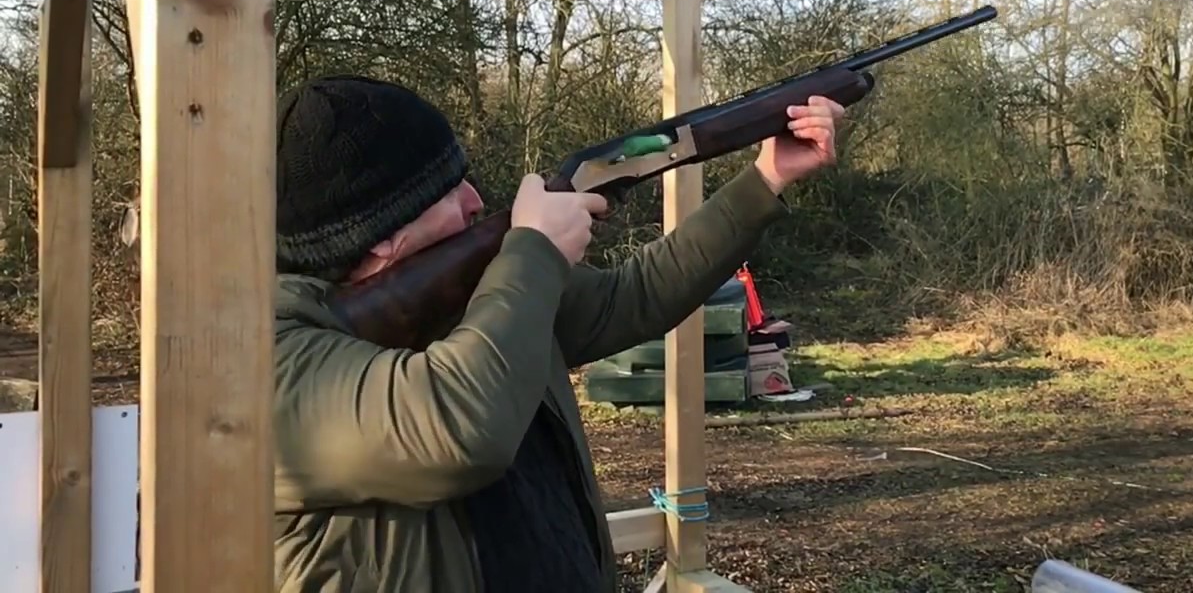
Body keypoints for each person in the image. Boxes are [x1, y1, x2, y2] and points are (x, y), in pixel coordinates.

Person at [270, 74, 849, 593]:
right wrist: (536, 251)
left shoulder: (479, 288)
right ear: (380, 236)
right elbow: (459, 425)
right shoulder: (265, 357)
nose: (476, 200)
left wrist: (766, 179)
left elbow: (634, 296)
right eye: (447, 192)